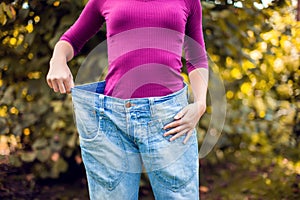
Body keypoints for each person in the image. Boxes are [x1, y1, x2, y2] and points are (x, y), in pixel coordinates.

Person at [46, 0, 208, 199]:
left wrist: (200, 104)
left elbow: (197, 56)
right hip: (111, 120)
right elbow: (71, 39)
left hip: (170, 118)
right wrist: (57, 61)